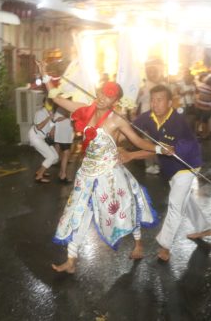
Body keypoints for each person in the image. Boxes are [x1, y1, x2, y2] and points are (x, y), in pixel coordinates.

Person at [38, 61, 169, 274]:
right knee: (79, 212)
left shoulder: (118, 120)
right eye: (100, 93)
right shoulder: (86, 109)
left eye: (108, 96)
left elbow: (138, 142)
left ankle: (138, 243)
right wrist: (44, 75)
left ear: (115, 101)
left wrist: (161, 149)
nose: (101, 98)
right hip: (87, 174)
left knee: (127, 206)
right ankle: (71, 261)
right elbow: (58, 98)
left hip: (110, 175)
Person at [125, 85, 211, 262]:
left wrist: (131, 155)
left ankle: (165, 245)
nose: (155, 104)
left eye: (160, 100)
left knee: (175, 204)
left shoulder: (177, 122)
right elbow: (130, 131)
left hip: (188, 163)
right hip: (170, 166)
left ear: (170, 102)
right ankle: (203, 227)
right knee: (183, 200)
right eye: (153, 100)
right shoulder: (148, 116)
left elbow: (159, 150)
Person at [137, 58, 167, 174]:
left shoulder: (163, 85)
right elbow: (135, 102)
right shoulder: (144, 88)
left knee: (159, 141)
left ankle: (158, 163)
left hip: (161, 119)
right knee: (148, 142)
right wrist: (137, 95)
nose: (152, 74)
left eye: (154, 72)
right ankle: (149, 165)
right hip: (148, 119)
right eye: (150, 72)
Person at [30, 99, 58, 183]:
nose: (50, 104)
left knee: (55, 157)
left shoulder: (50, 113)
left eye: (51, 102)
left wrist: (53, 121)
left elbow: (51, 128)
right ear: (44, 103)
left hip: (42, 137)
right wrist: (49, 118)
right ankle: (39, 176)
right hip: (35, 136)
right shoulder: (40, 113)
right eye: (48, 102)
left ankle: (39, 171)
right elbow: (39, 127)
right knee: (51, 156)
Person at [51, 105, 75, 183]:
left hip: (68, 135)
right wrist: (67, 116)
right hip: (62, 135)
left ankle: (61, 173)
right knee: (66, 153)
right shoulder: (60, 109)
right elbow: (55, 119)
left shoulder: (71, 109)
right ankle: (63, 175)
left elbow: (73, 121)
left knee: (66, 154)